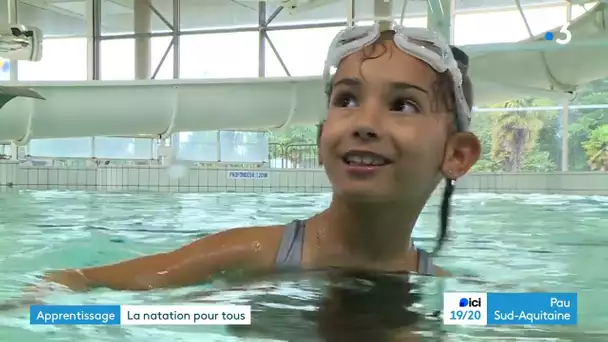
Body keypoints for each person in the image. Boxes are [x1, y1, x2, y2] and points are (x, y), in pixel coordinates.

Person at [40, 23, 480, 292]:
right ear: (321, 134)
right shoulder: (250, 252)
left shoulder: (443, 292)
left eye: (403, 105)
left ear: (457, 155)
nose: (362, 123)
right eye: (346, 100)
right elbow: (77, 281)